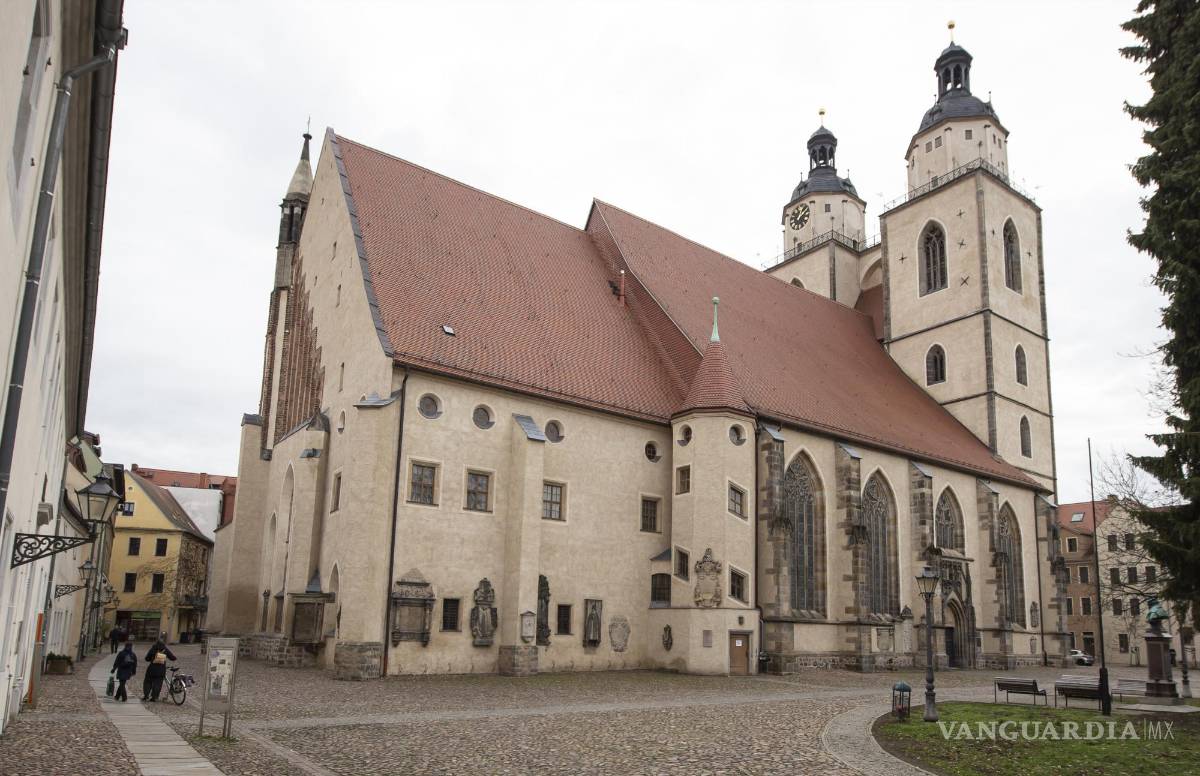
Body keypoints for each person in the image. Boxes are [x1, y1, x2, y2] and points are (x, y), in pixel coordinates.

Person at [142, 635, 176, 702]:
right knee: (158, 684)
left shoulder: (153, 648)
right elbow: (173, 657)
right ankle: (154, 697)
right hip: (161, 670)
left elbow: (147, 658)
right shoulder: (165, 649)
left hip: (152, 669)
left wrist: (152, 658)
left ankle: (146, 695)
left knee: (147, 682)